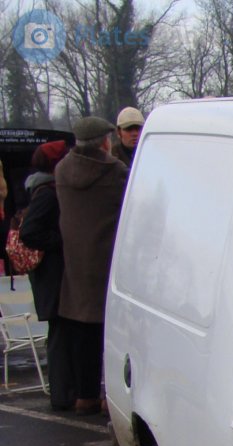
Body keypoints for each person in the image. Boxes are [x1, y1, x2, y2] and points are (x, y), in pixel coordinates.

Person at [55, 116, 128, 416]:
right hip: (108, 261)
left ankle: (84, 394)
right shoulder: (115, 171)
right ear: (104, 142)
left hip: (74, 261)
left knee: (80, 333)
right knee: (111, 335)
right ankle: (109, 395)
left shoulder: (61, 170)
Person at [18, 140, 72, 410]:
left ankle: (63, 393)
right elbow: (29, 232)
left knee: (60, 333)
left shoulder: (41, 189)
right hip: (52, 276)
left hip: (49, 276)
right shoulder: (47, 193)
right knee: (60, 334)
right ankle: (62, 395)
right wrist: (61, 241)